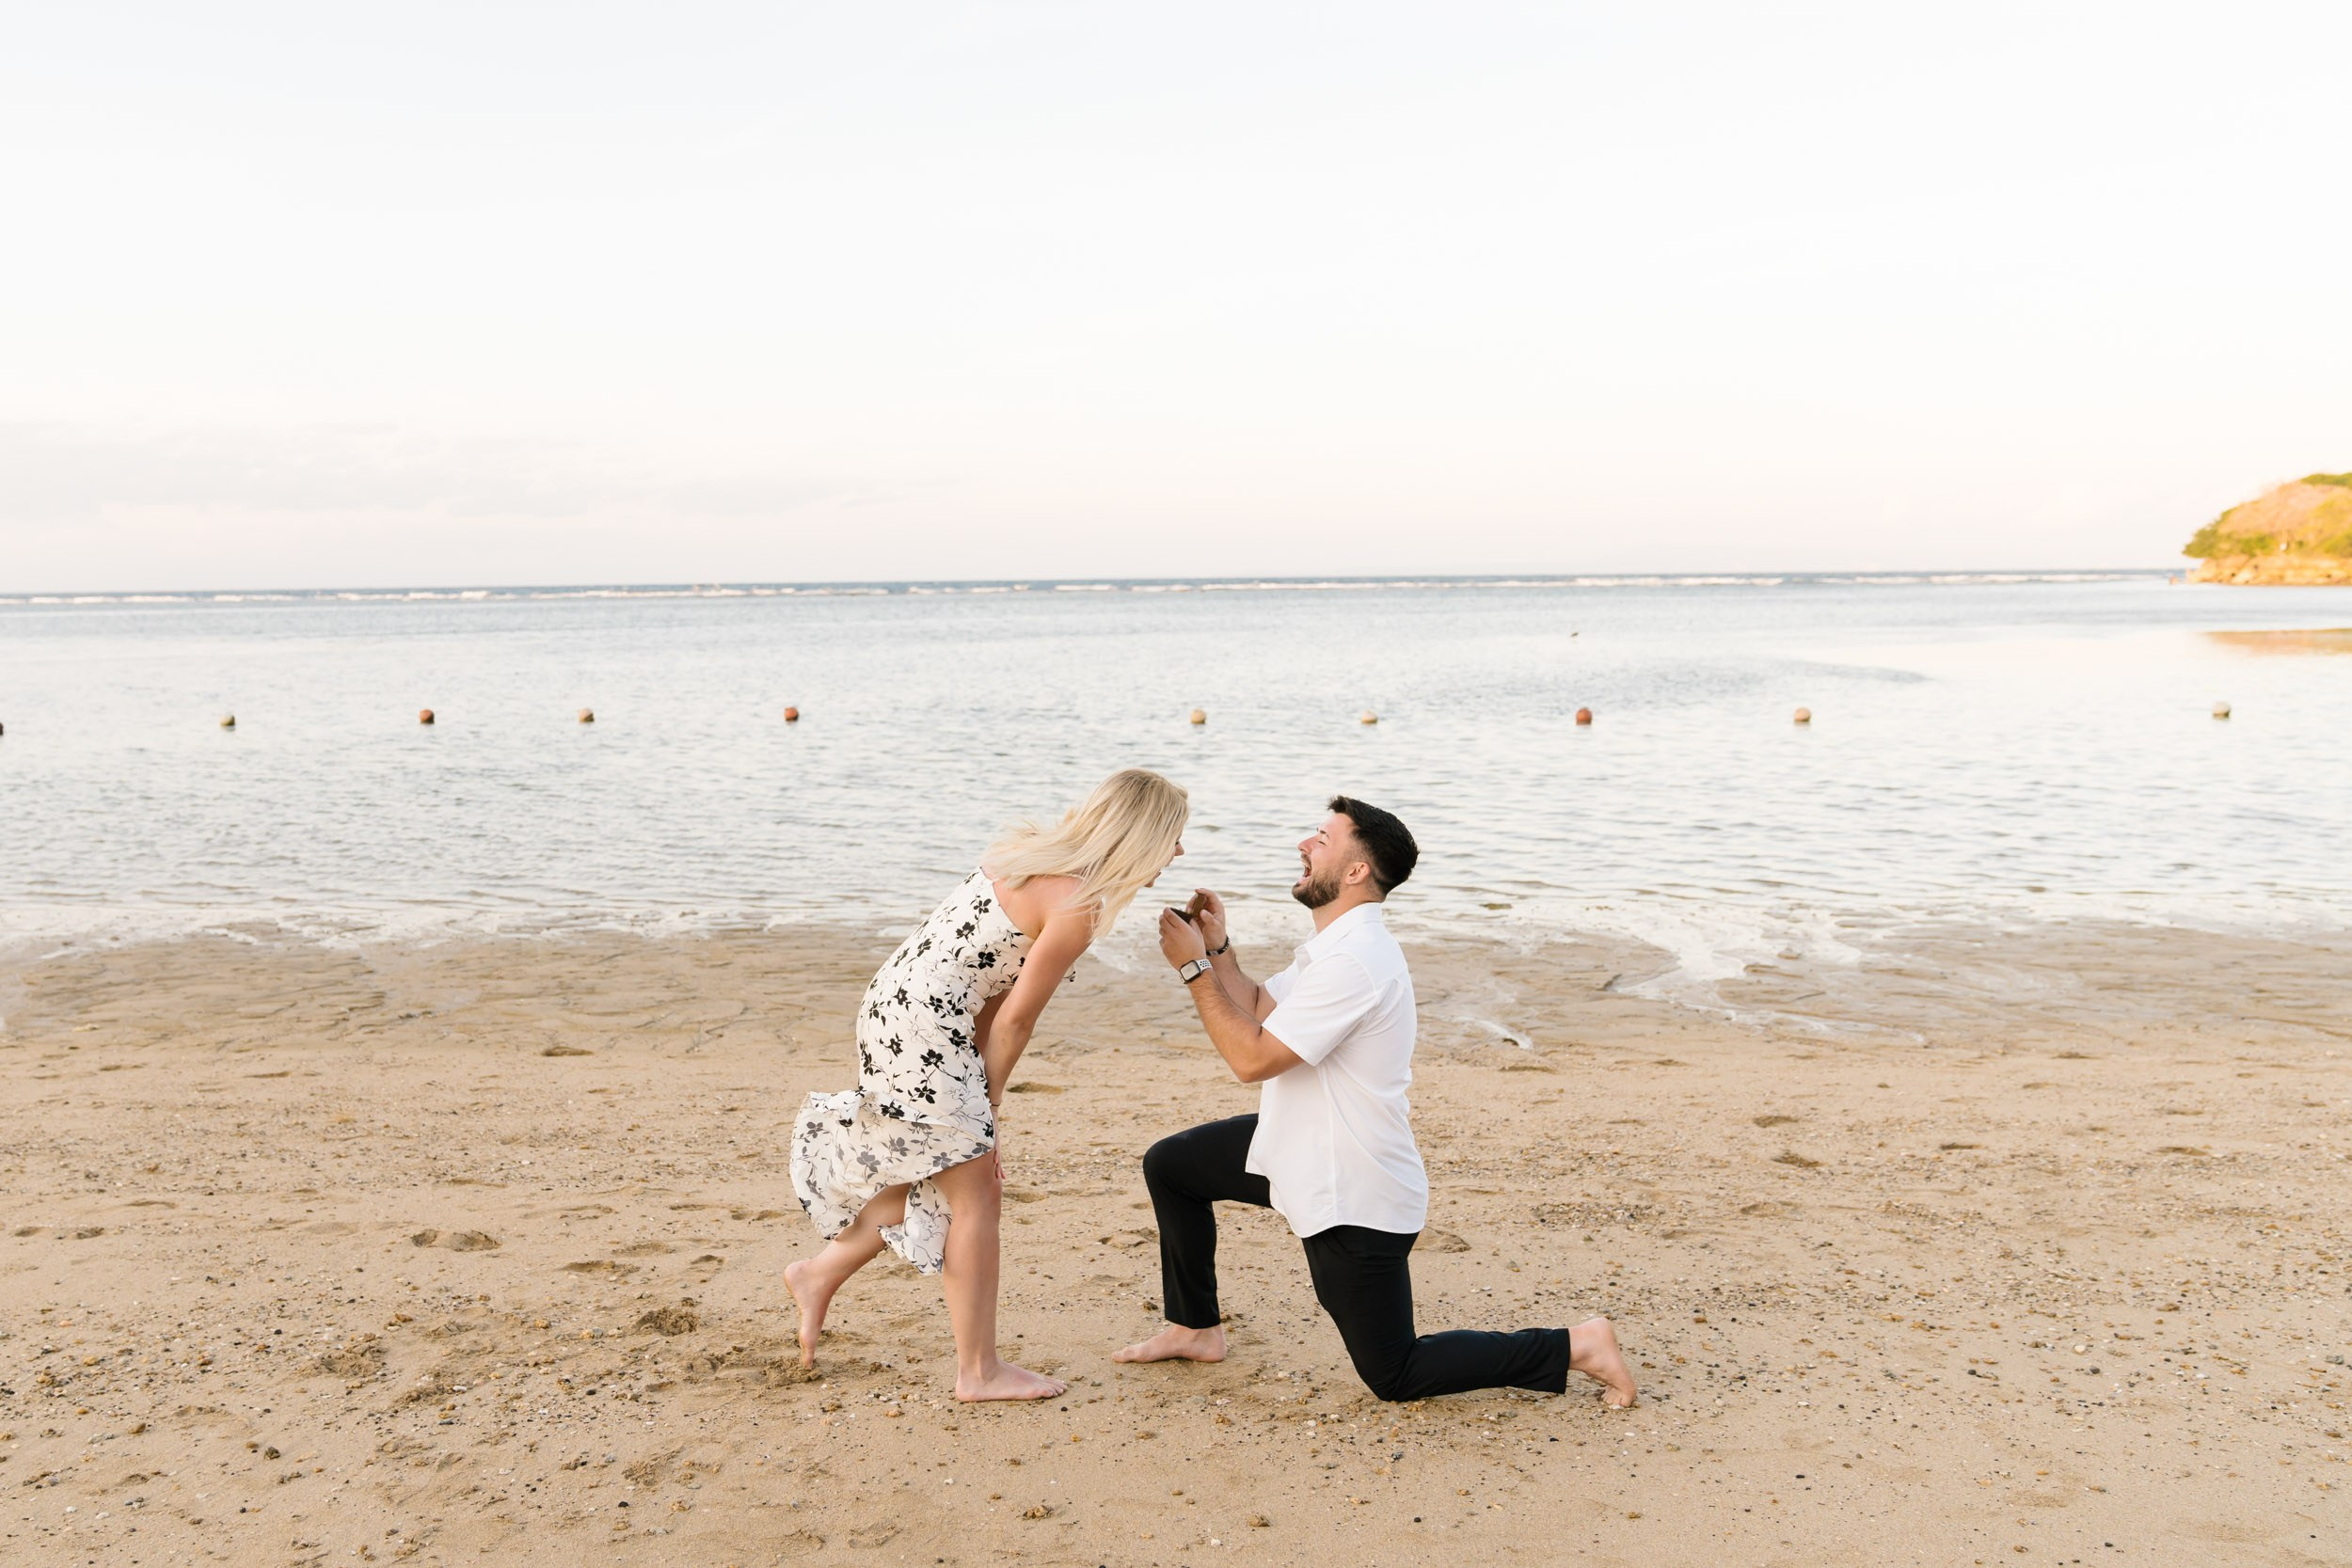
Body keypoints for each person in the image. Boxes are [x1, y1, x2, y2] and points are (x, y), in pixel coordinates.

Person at [1114, 796, 1638, 1408]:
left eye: (1321, 838)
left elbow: (1251, 1057)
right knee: (1173, 1165)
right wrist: (1220, 948)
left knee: (1395, 1372)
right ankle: (1196, 1326)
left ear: (1357, 870)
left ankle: (1577, 1344)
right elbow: (1260, 1006)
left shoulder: (1357, 961)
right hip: (1300, 1146)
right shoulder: (1337, 949)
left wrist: (1194, 970)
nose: (1304, 846)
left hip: (1352, 1189)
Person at [787, 768, 1190, 1402]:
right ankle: (978, 1371)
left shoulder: (1023, 854)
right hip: (924, 1025)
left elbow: (975, 972)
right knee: (977, 1195)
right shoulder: (1079, 904)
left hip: (893, 1003)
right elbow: (1016, 1018)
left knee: (937, 1168)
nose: (1178, 852)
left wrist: (972, 1108)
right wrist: (989, 1112)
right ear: (1141, 834)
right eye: (1174, 836)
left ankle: (820, 1273)